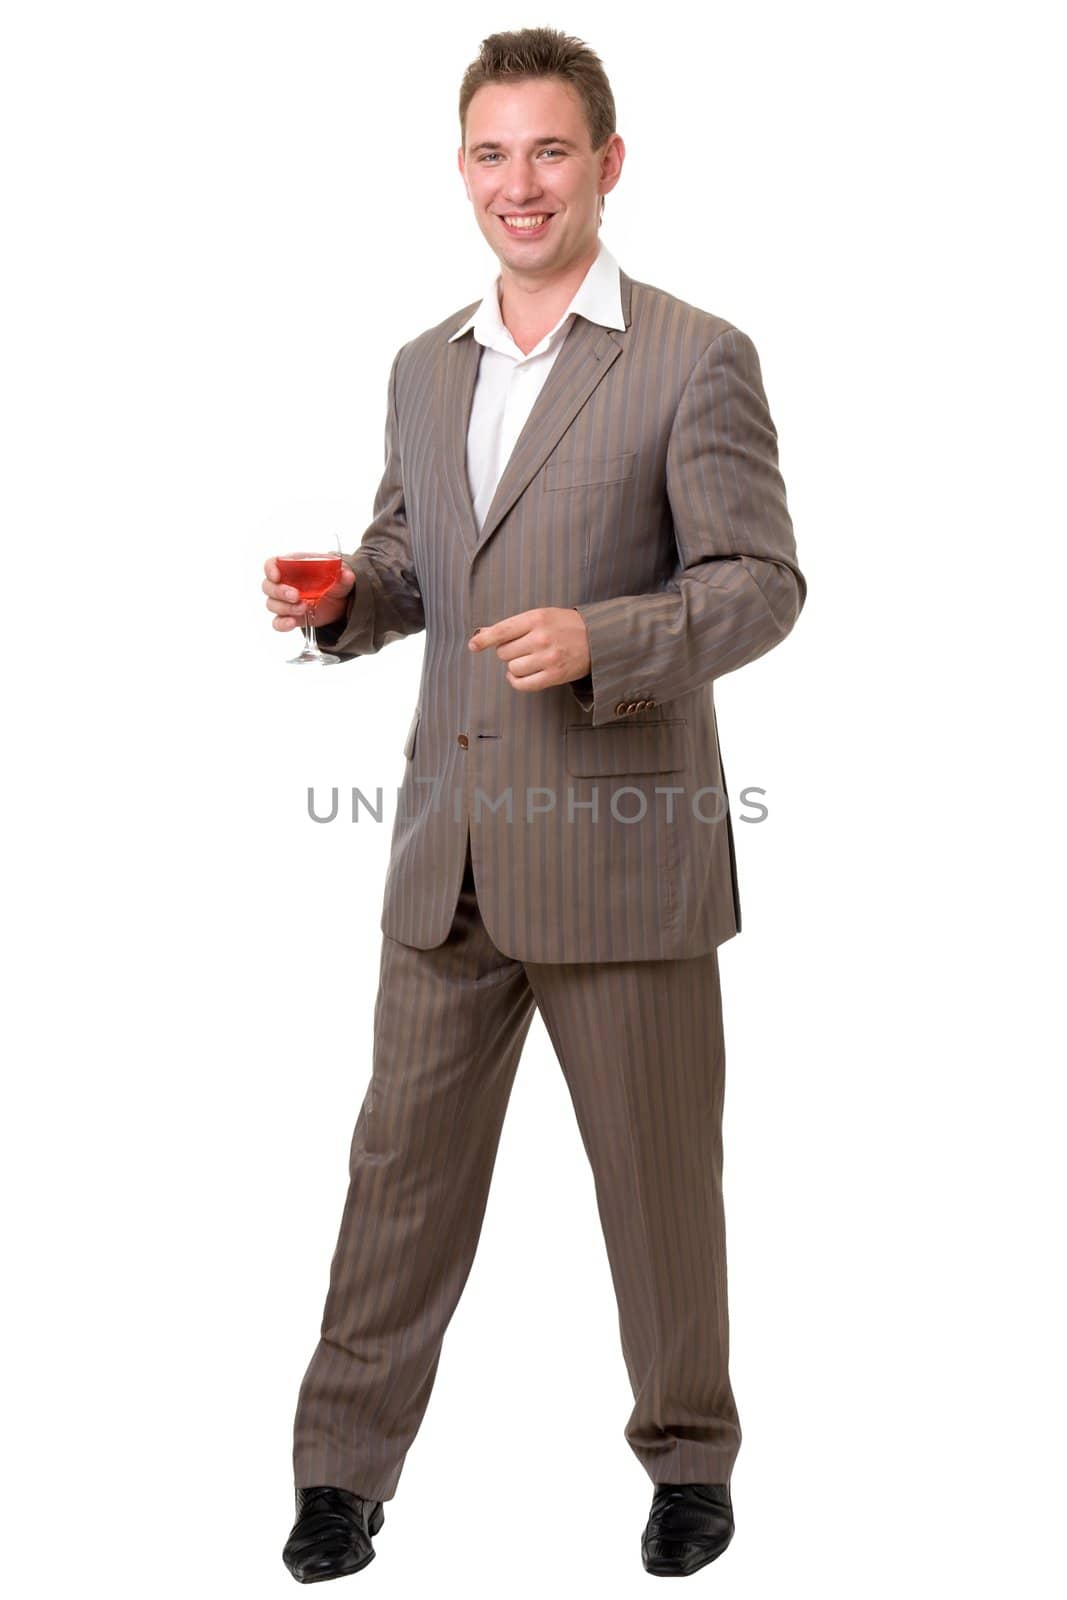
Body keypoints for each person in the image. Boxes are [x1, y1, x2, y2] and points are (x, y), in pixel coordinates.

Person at [266, 26, 806, 1583]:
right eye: (493, 153)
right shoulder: (421, 369)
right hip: (450, 861)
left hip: (622, 858)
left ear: (607, 165)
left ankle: (691, 1463)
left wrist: (608, 642)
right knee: (397, 1185)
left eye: (551, 151)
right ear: (462, 171)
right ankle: (338, 1478)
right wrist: (341, 605)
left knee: (655, 1186)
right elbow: (409, 563)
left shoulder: (696, 357)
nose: (522, 183)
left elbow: (761, 585)